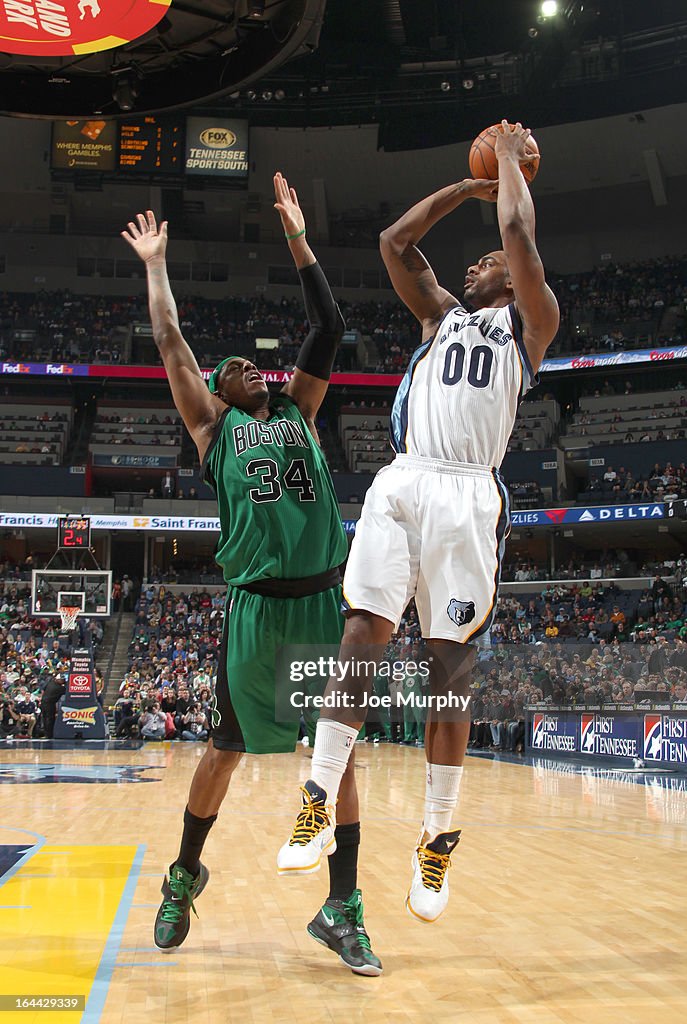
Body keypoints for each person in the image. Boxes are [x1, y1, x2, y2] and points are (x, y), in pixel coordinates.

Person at [279, 121, 559, 923]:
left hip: (470, 495)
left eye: (486, 263)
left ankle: (436, 838)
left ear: (513, 279)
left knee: (448, 672)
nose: (474, 263)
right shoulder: (438, 315)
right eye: (471, 260)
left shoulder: (530, 323)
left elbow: (515, 230)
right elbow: (394, 241)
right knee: (363, 631)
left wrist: (506, 164)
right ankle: (316, 791)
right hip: (404, 481)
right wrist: (465, 186)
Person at [121, 172, 381, 975]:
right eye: (234, 367)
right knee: (225, 750)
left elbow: (328, 322)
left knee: (334, 757)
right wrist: (156, 267)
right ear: (218, 391)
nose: (251, 368)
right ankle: (181, 875)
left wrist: (299, 236)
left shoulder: (301, 410)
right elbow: (171, 343)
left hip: (322, 606)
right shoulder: (212, 429)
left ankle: (343, 906)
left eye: (254, 366)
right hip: (257, 609)